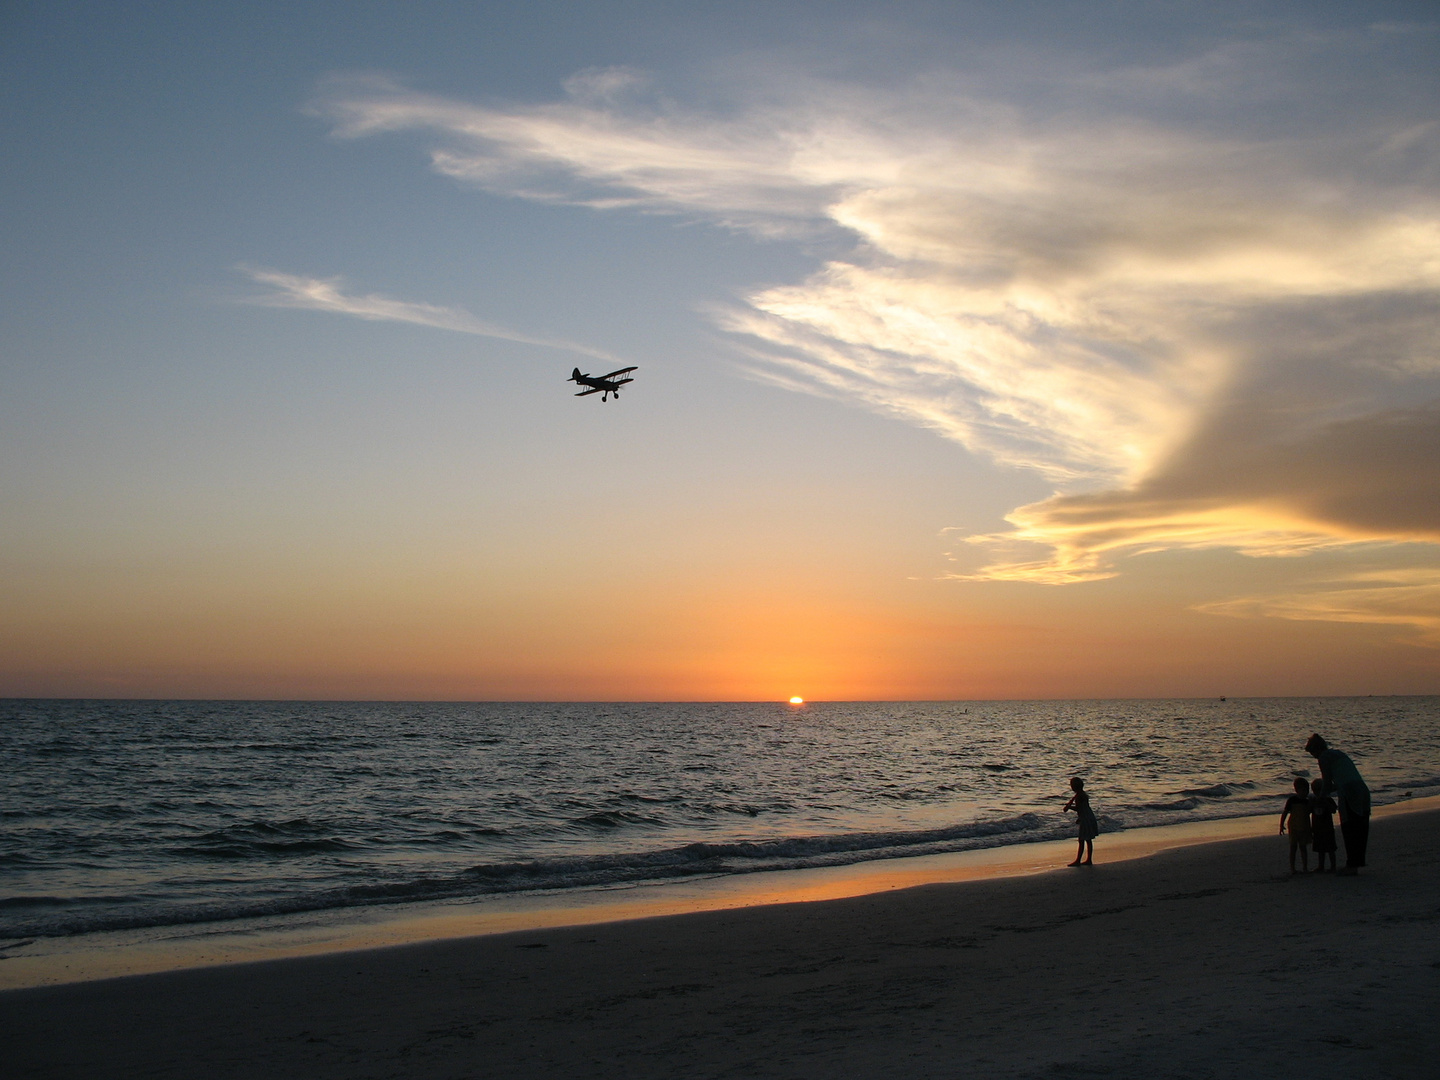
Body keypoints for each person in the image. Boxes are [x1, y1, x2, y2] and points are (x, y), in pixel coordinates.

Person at [1305, 733, 1370, 875]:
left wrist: (1319, 799)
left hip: (1350, 793)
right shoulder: (1338, 754)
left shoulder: (1323, 758)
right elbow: (1339, 781)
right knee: (1360, 829)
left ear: (1316, 750)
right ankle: (1356, 863)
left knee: (1349, 828)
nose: (1314, 757)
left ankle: (1351, 866)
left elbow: (1327, 783)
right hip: (1362, 790)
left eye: (1312, 753)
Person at [1062, 776, 1098, 866]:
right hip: (1089, 816)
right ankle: (1089, 859)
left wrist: (1069, 807)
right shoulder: (1083, 794)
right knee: (1088, 840)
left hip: (1085, 819)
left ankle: (1078, 860)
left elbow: (1079, 808)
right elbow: (1083, 809)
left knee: (1081, 840)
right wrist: (1079, 818)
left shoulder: (1079, 797)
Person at [1278, 778, 1312, 873]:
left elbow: (1311, 812)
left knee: (1303, 848)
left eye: (1307, 790)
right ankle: (1293, 868)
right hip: (1293, 827)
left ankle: (1305, 867)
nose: (1305, 792)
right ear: (1297, 790)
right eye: (1303, 790)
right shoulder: (1292, 800)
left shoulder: (1308, 802)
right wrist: (1281, 825)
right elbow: (1285, 812)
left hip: (1304, 827)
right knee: (1293, 848)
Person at [1309, 777, 1338, 873]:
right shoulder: (1313, 800)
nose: (1317, 792)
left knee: (1330, 848)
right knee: (1320, 849)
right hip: (1317, 828)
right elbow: (1308, 811)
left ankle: (1333, 866)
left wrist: (1325, 802)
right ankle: (1321, 866)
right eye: (1315, 790)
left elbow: (1334, 810)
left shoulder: (1328, 799)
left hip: (1328, 828)